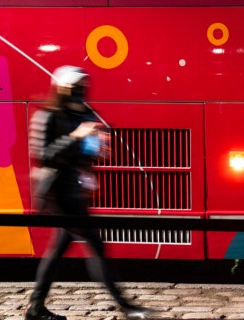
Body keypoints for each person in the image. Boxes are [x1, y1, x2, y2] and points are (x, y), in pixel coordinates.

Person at [25, 66, 152, 320]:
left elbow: (83, 154)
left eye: (84, 85)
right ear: (62, 88)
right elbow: (43, 155)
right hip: (59, 193)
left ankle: (35, 307)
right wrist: (75, 136)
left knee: (60, 249)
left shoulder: (84, 114)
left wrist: (96, 148)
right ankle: (125, 306)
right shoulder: (49, 116)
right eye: (76, 86)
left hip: (75, 192)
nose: (81, 91)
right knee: (96, 245)